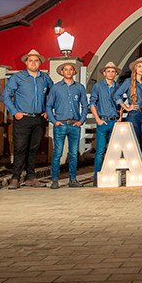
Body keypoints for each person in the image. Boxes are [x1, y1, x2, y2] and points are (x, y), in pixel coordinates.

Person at [3, 49, 53, 189]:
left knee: (34, 149)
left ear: (40, 63)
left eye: (36, 60)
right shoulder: (18, 77)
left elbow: (54, 95)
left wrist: (48, 111)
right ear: (26, 62)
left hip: (39, 119)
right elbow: (6, 96)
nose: (33, 63)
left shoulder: (45, 78)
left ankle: (31, 177)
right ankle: (15, 178)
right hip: (22, 118)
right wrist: (15, 112)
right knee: (20, 148)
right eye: (30, 60)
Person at [46, 60, 88, 188]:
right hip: (61, 124)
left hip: (74, 124)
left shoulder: (79, 87)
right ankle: (54, 180)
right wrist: (54, 121)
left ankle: (73, 179)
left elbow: (85, 105)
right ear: (62, 72)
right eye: (66, 69)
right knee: (58, 152)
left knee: (74, 153)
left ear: (74, 72)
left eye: (71, 69)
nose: (68, 71)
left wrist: (81, 120)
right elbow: (49, 106)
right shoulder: (56, 87)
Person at [116, 57, 142, 163]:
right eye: (139, 66)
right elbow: (117, 95)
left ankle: (141, 165)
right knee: (133, 141)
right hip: (133, 115)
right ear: (135, 68)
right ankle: (133, 165)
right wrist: (126, 107)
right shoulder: (128, 82)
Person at [89, 61, 120, 184]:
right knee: (100, 150)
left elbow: (121, 103)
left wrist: (120, 116)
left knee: (114, 150)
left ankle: (111, 174)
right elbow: (92, 103)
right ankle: (97, 177)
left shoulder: (118, 86)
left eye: (113, 71)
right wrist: (97, 119)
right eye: (108, 71)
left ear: (115, 73)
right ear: (104, 73)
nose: (111, 73)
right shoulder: (98, 86)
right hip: (103, 121)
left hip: (114, 120)